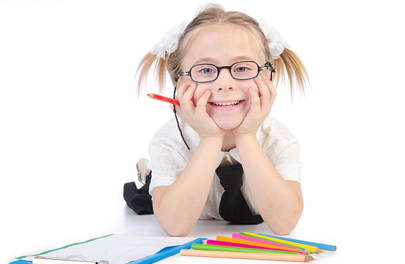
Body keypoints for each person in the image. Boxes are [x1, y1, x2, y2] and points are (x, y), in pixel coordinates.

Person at [124, 3, 309, 236]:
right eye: (205, 70)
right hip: (176, 188)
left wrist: (246, 136)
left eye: (242, 68)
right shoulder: (169, 140)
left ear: (268, 77)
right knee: (153, 184)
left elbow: (284, 224)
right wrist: (210, 139)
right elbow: (175, 226)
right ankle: (148, 174)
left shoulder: (279, 140)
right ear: (179, 83)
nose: (224, 83)